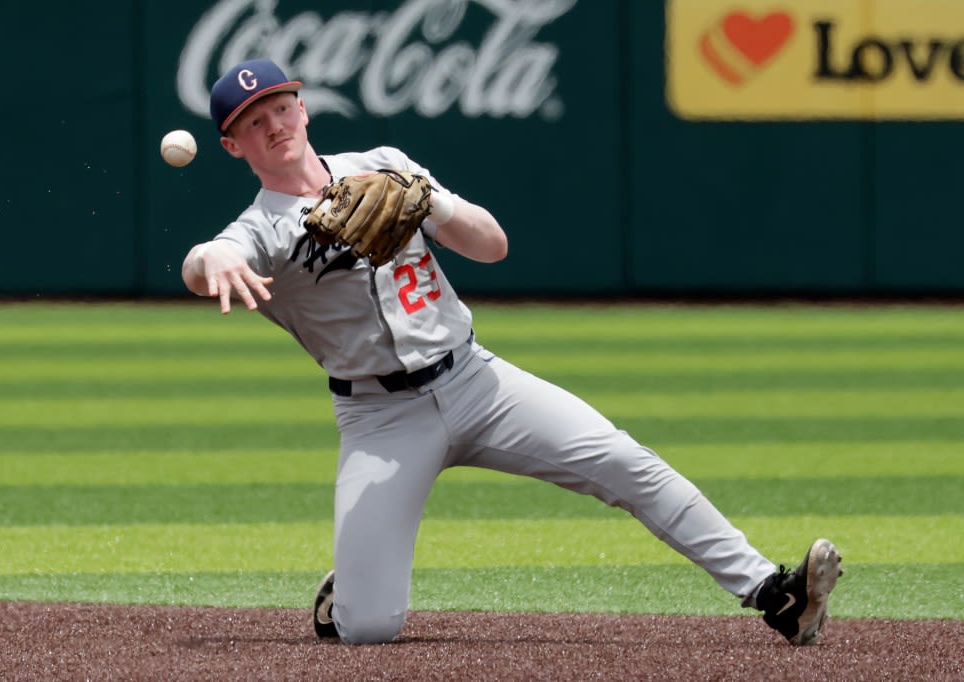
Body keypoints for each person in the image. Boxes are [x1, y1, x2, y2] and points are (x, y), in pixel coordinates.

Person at [181, 58, 843, 646]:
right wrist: (209, 257)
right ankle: (351, 588)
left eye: (280, 105)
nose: (274, 123)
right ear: (232, 145)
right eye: (253, 120)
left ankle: (773, 594)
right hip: (381, 422)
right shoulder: (260, 229)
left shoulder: (384, 164)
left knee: (622, 460)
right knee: (369, 628)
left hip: (477, 381)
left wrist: (425, 199)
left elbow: (492, 245)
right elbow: (210, 259)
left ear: (303, 106)